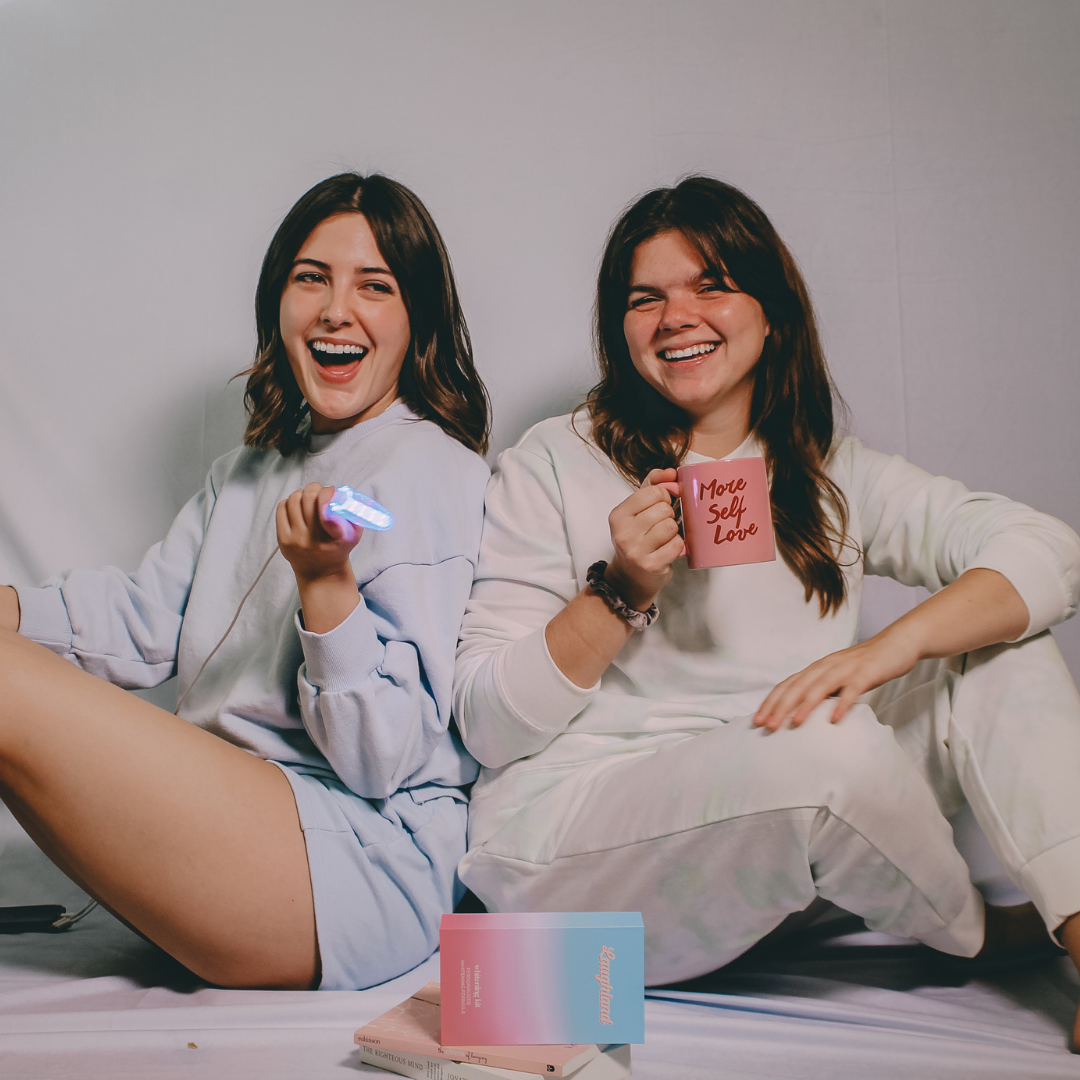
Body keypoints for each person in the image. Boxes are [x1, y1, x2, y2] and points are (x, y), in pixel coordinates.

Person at [453, 176, 1080, 1043]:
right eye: (646, 298)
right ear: (619, 329)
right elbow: (487, 726)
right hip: (586, 855)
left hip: (778, 858)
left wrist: (885, 651)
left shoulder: (827, 472)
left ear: (772, 311)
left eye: (710, 284)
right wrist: (619, 588)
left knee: (1001, 644)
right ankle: (975, 933)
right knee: (827, 744)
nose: (677, 316)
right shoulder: (556, 461)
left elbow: (1047, 551)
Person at [0, 172, 491, 991]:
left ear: (417, 321)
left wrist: (327, 590)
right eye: (311, 278)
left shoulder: (430, 471)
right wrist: (9, 605)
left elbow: (383, 758)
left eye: (376, 286)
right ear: (278, 303)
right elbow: (143, 621)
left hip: (354, 867)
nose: (338, 309)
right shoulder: (245, 472)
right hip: (246, 833)